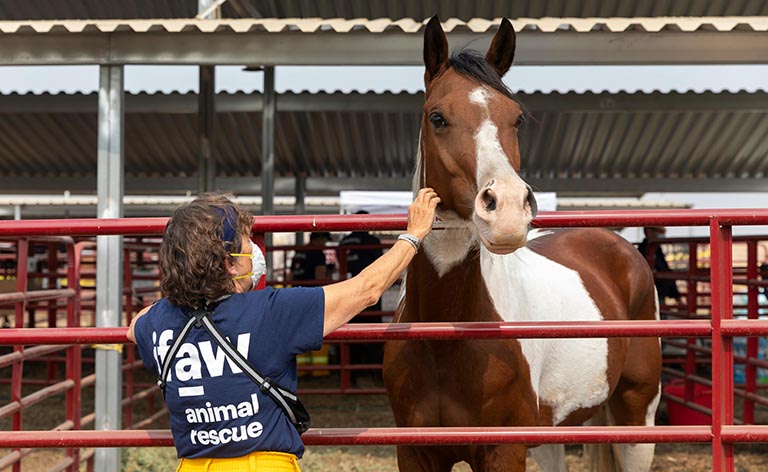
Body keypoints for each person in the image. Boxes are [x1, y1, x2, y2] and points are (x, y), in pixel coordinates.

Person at [127, 189, 439, 471]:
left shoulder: (156, 323)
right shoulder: (271, 312)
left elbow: (135, 326)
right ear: (229, 264)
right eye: (247, 242)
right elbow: (366, 290)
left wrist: (183, 289)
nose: (254, 249)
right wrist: (413, 236)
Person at [338, 211, 385, 385]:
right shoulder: (372, 241)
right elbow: (380, 264)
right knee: (374, 332)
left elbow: (340, 264)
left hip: (348, 290)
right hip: (371, 288)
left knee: (351, 333)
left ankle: (351, 376)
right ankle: (375, 374)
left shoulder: (344, 241)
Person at [637, 226, 682, 303]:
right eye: (659, 231)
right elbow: (663, 269)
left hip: (653, 292)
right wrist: (676, 295)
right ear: (648, 231)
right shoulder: (647, 250)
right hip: (654, 292)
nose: (661, 234)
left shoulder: (651, 249)